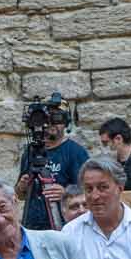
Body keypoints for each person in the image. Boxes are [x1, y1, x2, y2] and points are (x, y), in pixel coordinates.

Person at [16, 98, 91, 230]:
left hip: (65, 225)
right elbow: (20, 195)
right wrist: (22, 187)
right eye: (47, 117)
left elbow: (88, 192)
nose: (51, 123)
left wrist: (65, 193)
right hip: (32, 226)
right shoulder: (30, 152)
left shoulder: (76, 152)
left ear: (66, 122)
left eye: (58, 118)